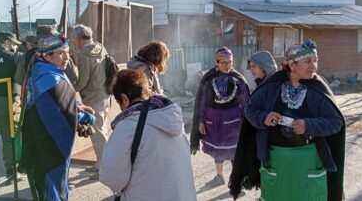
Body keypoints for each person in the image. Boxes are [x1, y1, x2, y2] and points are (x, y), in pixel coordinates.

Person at [242, 39, 345, 201]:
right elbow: (250, 109)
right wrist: (264, 117)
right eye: (308, 61)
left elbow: (335, 122)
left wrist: (308, 125)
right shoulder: (272, 85)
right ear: (292, 65)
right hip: (276, 159)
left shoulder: (318, 88)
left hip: (309, 159)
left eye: (315, 61)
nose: (313, 66)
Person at [99, 69, 196, 201]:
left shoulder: (127, 126)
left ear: (124, 99)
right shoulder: (170, 115)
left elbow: (112, 177)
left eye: (119, 103)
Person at [22, 33, 94, 200]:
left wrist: (77, 106)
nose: (67, 57)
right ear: (47, 55)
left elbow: (61, 100)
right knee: (52, 189)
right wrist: (86, 118)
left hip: (49, 139)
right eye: (61, 53)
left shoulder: (49, 69)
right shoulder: (48, 77)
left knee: (56, 186)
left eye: (68, 52)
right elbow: (61, 108)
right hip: (48, 144)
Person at [190, 47, 250, 187]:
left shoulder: (238, 79)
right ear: (216, 62)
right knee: (218, 150)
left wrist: (246, 123)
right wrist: (200, 122)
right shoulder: (208, 79)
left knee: (235, 151)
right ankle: (219, 176)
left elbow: (246, 101)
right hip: (214, 122)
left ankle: (237, 181)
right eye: (223, 62)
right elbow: (202, 102)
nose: (227, 65)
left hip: (234, 123)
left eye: (230, 62)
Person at [229, 50, 277, 198]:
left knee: (273, 175)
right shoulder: (262, 83)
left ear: (264, 66)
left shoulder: (276, 83)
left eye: (254, 66)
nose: (251, 70)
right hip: (262, 136)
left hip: (273, 141)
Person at [72, 24, 110, 179]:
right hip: (105, 95)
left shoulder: (85, 56)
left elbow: (82, 81)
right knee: (102, 130)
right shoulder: (101, 48)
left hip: (93, 98)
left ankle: (104, 168)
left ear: (80, 38)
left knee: (98, 133)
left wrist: (68, 89)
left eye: (75, 38)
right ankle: (101, 163)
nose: (74, 41)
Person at [0, 31, 24, 185]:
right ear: (7, 42)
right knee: (9, 138)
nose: (15, 46)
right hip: (7, 103)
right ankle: (12, 172)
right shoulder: (13, 57)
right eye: (14, 44)